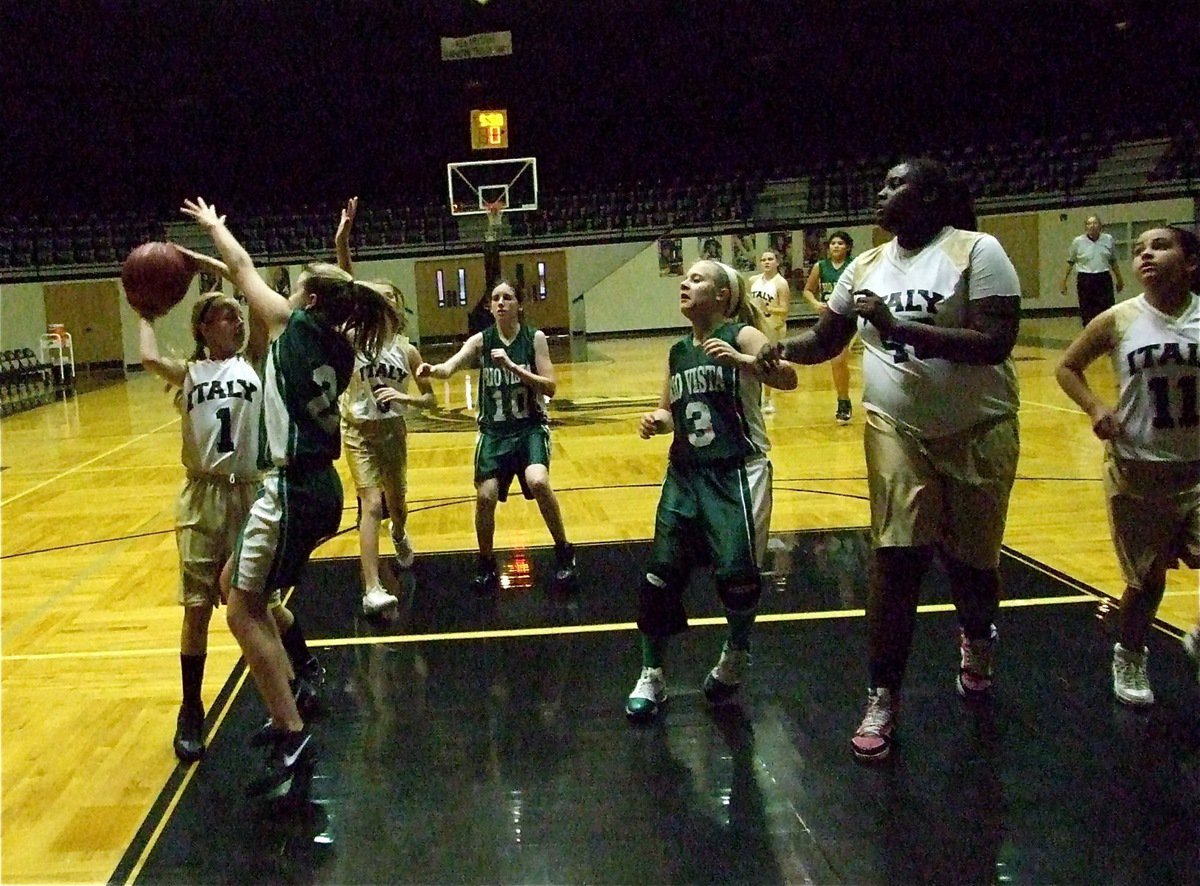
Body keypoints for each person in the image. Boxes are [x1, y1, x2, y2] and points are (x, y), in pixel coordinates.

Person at [758, 158, 1022, 762]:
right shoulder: (865, 265)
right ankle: (882, 696)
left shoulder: (977, 251)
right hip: (896, 430)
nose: (880, 193)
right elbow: (826, 340)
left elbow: (994, 342)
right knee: (896, 561)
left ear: (927, 196)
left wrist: (899, 328)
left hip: (979, 428)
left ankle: (976, 637)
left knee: (972, 566)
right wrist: (777, 351)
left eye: (895, 185)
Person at [180, 196, 400, 799]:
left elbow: (243, 266)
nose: (287, 293)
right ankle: (290, 704)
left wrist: (216, 228)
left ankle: (292, 732)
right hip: (320, 486)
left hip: (290, 486)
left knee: (240, 611)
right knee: (234, 582)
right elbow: (342, 291)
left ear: (309, 302)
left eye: (298, 288)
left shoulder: (292, 326)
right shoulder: (340, 343)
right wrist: (341, 249)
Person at [139, 277, 314, 763]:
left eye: (240, 314)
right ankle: (191, 710)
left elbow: (260, 306)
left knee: (262, 602)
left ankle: (303, 669)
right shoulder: (189, 374)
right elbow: (149, 357)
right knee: (197, 609)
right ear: (203, 327)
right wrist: (144, 311)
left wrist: (238, 278)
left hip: (250, 493)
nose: (237, 321)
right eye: (227, 315)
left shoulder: (254, 359)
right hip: (202, 497)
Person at [624, 260, 797, 722]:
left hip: (737, 471)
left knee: (737, 577)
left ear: (723, 295)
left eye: (697, 279)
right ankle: (652, 674)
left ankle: (736, 652)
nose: (685, 283)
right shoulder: (678, 351)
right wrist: (657, 420)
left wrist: (744, 362)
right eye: (685, 278)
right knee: (659, 577)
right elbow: (670, 411)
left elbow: (788, 377)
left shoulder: (743, 334)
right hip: (685, 475)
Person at [1055, 224, 1199, 706]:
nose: (1146, 255)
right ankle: (1130, 654)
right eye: (1138, 250)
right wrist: (1096, 408)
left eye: (1160, 246)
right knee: (1146, 581)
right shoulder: (1119, 319)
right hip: (1138, 469)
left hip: (1198, 466)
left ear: (1190, 262)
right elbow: (1066, 367)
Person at [416, 281, 576, 593]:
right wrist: (431, 370)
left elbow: (551, 387)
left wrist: (513, 367)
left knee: (539, 481)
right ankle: (486, 561)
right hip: (493, 433)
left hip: (529, 428)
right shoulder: (481, 340)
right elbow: (449, 368)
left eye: (508, 297)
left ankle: (564, 550)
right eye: (496, 298)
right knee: (485, 496)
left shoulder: (534, 338)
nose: (501, 302)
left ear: (519, 305)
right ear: (489, 307)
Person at [334, 197, 436, 616]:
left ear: (397, 305)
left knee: (398, 506)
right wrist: (343, 242)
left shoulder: (407, 350)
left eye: (388, 297)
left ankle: (400, 534)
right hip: (357, 430)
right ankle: (372, 587)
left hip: (393, 431)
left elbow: (429, 398)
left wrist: (405, 397)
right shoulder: (355, 337)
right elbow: (346, 286)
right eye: (375, 297)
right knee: (370, 504)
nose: (382, 301)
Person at [803, 231, 856, 423]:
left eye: (840, 243)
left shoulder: (855, 265)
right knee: (837, 360)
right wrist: (815, 304)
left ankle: (846, 400)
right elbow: (808, 291)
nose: (836, 246)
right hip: (830, 318)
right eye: (833, 243)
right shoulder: (821, 266)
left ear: (848, 247)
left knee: (839, 359)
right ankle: (843, 400)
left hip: (851, 317)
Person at [747, 249, 791, 413]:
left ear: (777, 262)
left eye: (770, 259)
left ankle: (767, 399)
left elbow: (785, 310)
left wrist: (768, 309)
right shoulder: (753, 280)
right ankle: (754, 399)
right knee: (752, 361)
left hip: (774, 327)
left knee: (769, 363)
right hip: (756, 326)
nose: (766, 262)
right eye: (763, 259)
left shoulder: (781, 283)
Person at [1062, 215, 1124, 326]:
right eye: (1089, 223)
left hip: (1103, 277)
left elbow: (1113, 261)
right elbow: (1070, 262)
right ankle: (1089, 331)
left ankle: (1106, 332)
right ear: (1085, 227)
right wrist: (1064, 281)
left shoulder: (1108, 239)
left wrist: (1119, 279)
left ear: (1100, 226)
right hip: (1085, 278)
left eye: (1095, 223)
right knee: (1087, 309)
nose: (1092, 226)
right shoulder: (1078, 241)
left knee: (1107, 309)